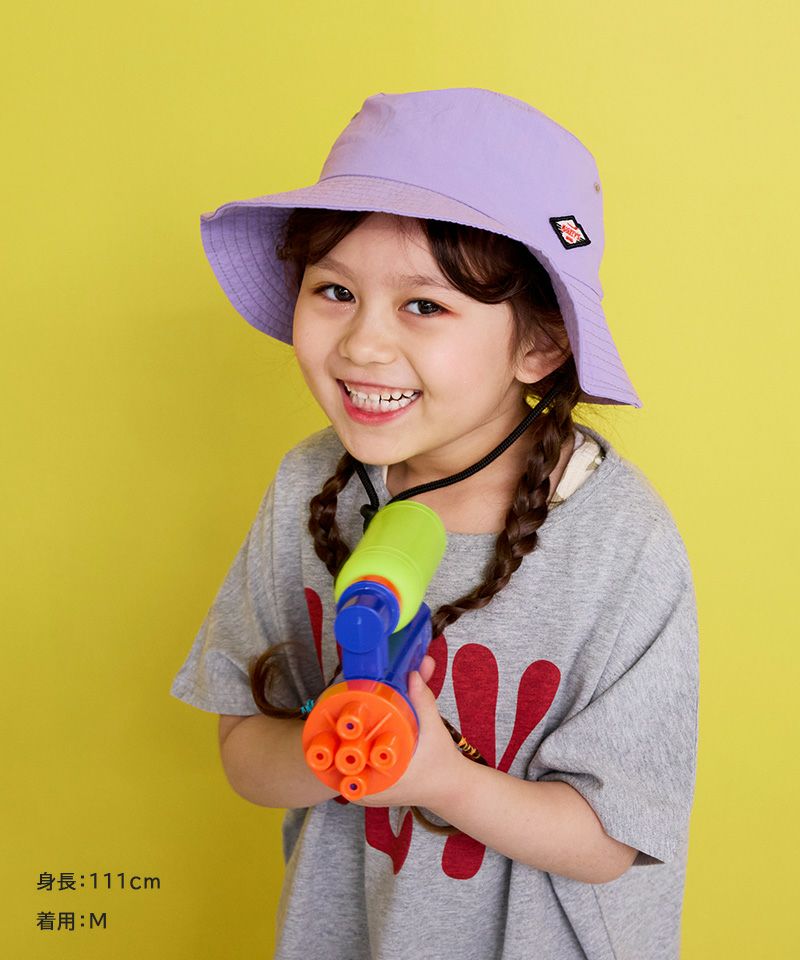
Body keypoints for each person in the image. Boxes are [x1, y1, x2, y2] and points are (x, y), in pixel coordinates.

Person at [170, 88, 699, 960]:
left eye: (424, 305)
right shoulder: (309, 486)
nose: (362, 345)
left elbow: (612, 841)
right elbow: (244, 752)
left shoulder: (619, 542)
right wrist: (341, 746)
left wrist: (438, 777)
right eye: (334, 290)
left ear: (539, 344)